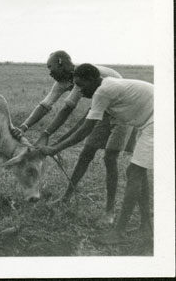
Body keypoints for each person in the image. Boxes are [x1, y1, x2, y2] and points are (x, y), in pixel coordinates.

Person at [12, 51, 137, 224]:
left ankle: (109, 212)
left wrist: (48, 138)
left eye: (51, 67)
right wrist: (24, 126)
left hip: (123, 109)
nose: (49, 72)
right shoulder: (63, 81)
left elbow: (67, 109)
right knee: (86, 152)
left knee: (110, 157)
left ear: (62, 63)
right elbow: (45, 105)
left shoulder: (81, 78)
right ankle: (66, 196)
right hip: (102, 106)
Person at [38, 63, 153, 244]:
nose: (79, 91)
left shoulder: (102, 91)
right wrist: (56, 145)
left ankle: (119, 232)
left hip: (157, 118)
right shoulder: (103, 87)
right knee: (138, 173)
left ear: (92, 80)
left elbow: (85, 130)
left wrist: (55, 148)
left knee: (134, 172)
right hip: (148, 118)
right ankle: (146, 228)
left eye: (81, 85)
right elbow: (83, 125)